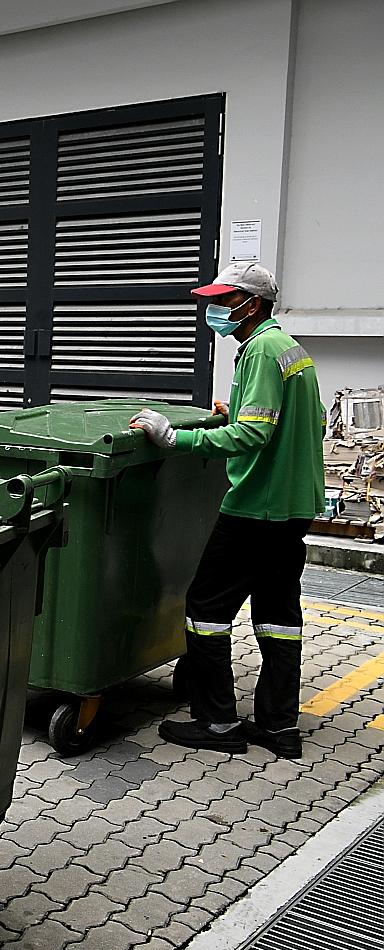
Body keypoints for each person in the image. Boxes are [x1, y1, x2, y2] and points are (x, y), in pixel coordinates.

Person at [130, 263, 324, 759]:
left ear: (251, 305)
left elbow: (254, 434)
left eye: (222, 300)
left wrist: (177, 437)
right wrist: (232, 415)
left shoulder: (259, 350)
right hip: (294, 507)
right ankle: (279, 727)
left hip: (255, 508)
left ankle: (217, 724)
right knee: (279, 616)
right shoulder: (289, 349)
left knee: (206, 610)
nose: (212, 309)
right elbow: (311, 422)